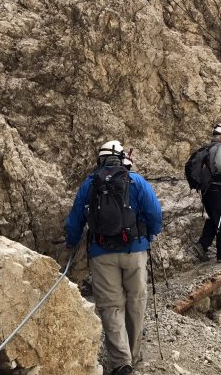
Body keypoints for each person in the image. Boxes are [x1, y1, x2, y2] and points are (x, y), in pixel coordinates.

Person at [65, 140, 162, 375]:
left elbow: (75, 219)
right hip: (135, 251)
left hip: (101, 253)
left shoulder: (90, 184)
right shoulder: (135, 180)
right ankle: (133, 353)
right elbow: (154, 213)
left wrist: (72, 241)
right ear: (121, 158)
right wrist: (151, 233)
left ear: (100, 160)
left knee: (111, 307)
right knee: (136, 301)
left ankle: (121, 362)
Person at [189, 123, 221, 263]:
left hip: (206, 189)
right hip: (217, 188)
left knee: (214, 218)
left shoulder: (207, 148)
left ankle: (202, 246)